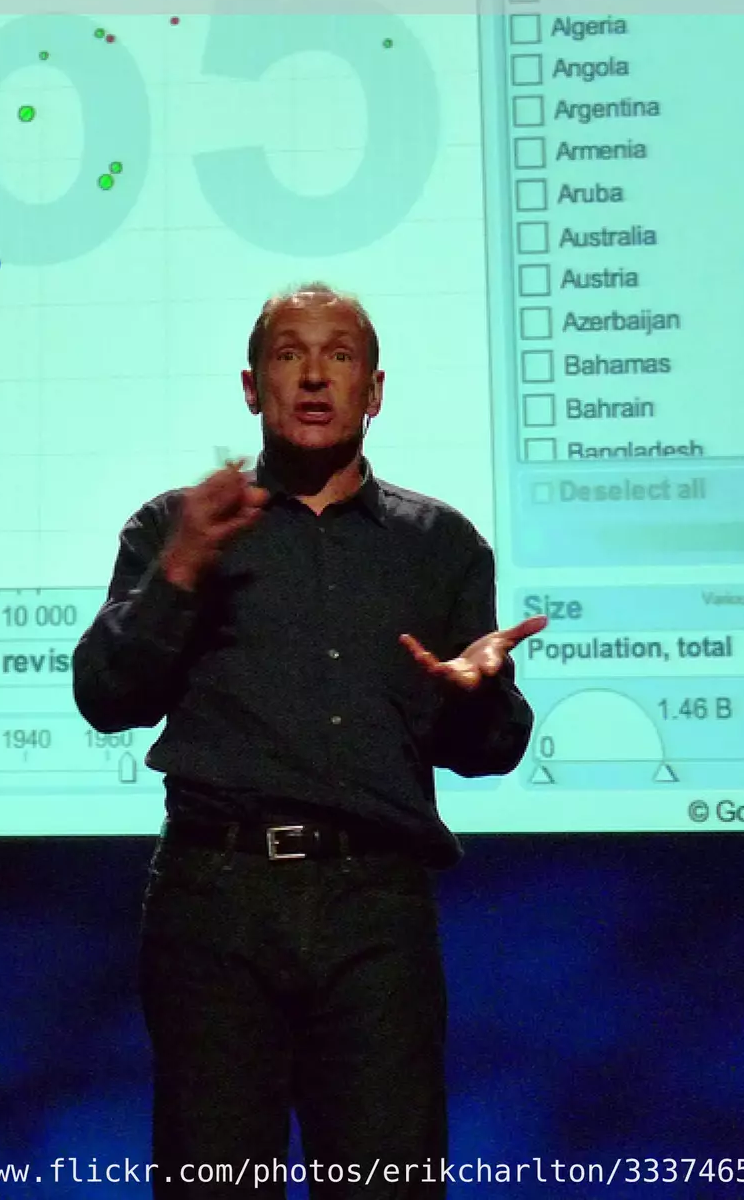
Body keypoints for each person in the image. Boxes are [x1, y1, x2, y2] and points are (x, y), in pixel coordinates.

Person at [71, 282, 546, 1199]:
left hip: (375, 907)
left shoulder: (441, 544)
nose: (316, 376)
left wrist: (476, 693)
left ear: (375, 389)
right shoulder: (175, 527)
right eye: (290, 354)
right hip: (217, 901)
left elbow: (490, 750)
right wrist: (179, 573)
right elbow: (105, 696)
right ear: (254, 386)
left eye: (340, 355)